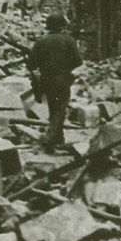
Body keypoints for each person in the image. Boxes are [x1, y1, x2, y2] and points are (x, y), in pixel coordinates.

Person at [27, 12, 82, 151]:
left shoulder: (41, 41)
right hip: (62, 79)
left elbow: (31, 64)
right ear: (62, 25)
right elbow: (78, 61)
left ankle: (58, 138)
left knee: (53, 109)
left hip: (46, 79)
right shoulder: (68, 40)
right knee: (61, 110)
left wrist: (40, 71)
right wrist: (67, 68)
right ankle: (50, 139)